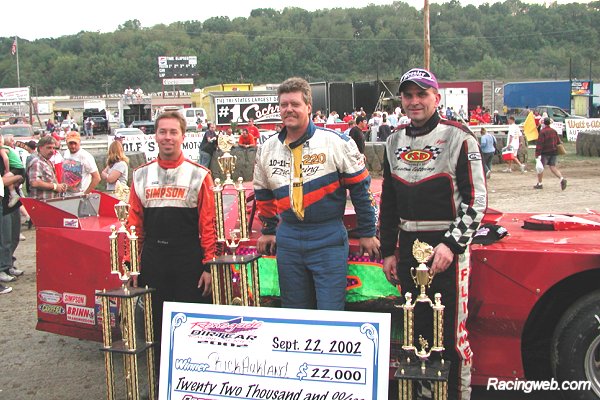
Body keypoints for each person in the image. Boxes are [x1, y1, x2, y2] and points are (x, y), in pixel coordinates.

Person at [380, 68, 487, 400]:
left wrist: (451, 244)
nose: (414, 101)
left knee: (451, 337)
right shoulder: (393, 140)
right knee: (416, 333)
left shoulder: (459, 136)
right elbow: (388, 201)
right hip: (409, 245)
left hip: (445, 248)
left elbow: (477, 200)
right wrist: (388, 250)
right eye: (408, 95)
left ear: (436, 98)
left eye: (421, 94)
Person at [253, 77, 379, 311]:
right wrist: (269, 230)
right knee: (294, 312)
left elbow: (361, 190)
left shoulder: (336, 142)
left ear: (309, 108)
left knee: (330, 312)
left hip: (327, 236)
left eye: (295, 104)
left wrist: (368, 232)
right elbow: (263, 194)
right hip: (288, 236)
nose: (288, 109)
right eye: (283, 105)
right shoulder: (266, 149)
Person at [127, 110, 217, 371]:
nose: (167, 137)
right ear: (155, 136)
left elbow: (208, 225)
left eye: (173, 132)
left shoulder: (199, 174)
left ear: (183, 136)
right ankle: (160, 387)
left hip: (187, 257)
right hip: (154, 258)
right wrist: (132, 265)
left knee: (191, 327)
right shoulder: (140, 175)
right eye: (162, 132)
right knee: (156, 328)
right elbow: (134, 224)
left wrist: (208, 266)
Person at [534, 117, 567, 190]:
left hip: (545, 153)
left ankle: (540, 183)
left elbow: (540, 144)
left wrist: (537, 153)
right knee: (553, 167)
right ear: (550, 123)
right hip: (554, 152)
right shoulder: (554, 131)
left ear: (543, 123)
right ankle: (561, 179)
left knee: (541, 168)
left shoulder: (542, 132)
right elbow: (558, 142)